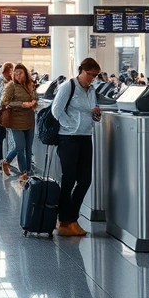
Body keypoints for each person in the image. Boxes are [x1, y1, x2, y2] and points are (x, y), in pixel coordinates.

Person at [51, 57, 102, 237]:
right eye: (90, 74)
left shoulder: (92, 90)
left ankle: (70, 218)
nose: (92, 78)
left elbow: (91, 110)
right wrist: (70, 125)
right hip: (69, 138)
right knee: (69, 178)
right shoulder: (68, 86)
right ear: (81, 70)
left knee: (85, 179)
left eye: (95, 76)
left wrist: (96, 115)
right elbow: (56, 110)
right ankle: (65, 220)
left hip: (86, 136)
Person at [0, 63, 38, 184]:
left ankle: (27, 172)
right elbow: (5, 102)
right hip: (15, 120)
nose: (17, 75)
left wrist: (33, 102)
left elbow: (35, 97)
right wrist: (22, 104)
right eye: (15, 73)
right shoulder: (11, 86)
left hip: (29, 120)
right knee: (20, 146)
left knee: (28, 147)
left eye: (20, 73)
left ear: (25, 74)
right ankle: (8, 162)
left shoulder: (30, 85)